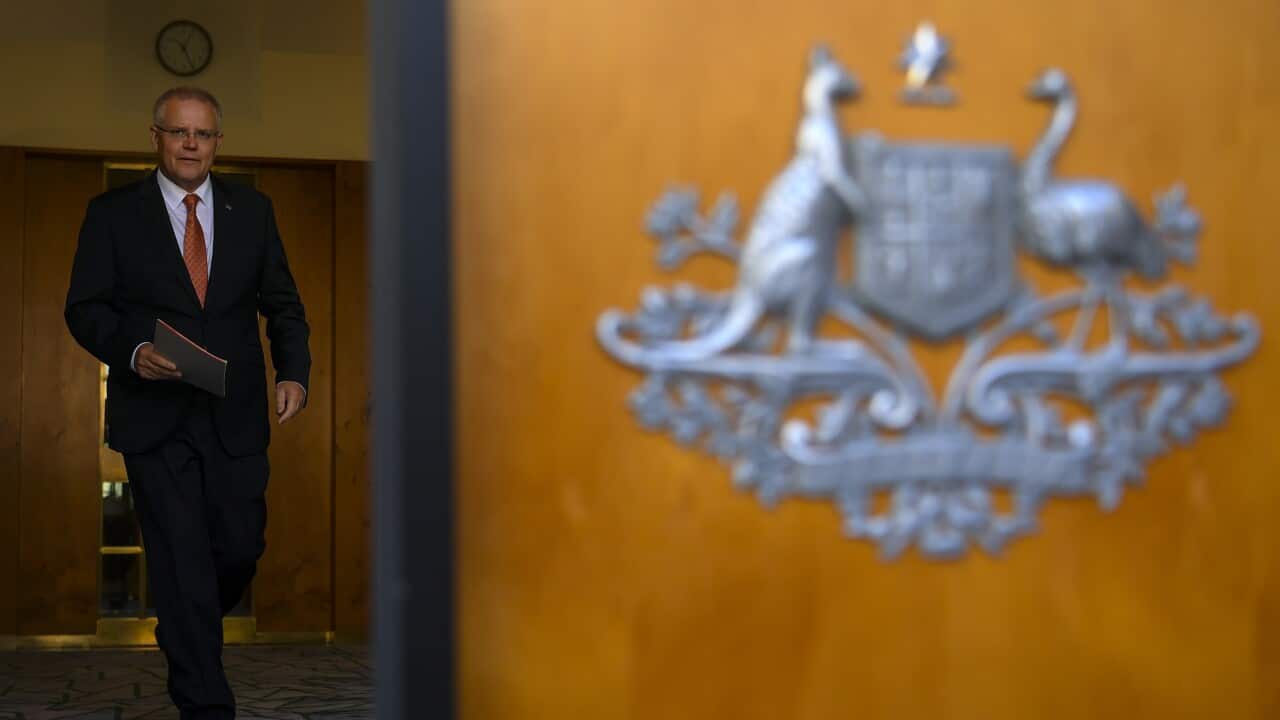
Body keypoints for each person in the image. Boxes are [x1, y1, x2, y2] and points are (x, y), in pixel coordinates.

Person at [64, 86, 310, 719]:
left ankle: (181, 621)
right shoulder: (113, 214)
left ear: (217, 142)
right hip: (156, 419)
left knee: (238, 547)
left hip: (235, 418)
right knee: (179, 560)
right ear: (157, 137)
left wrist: (295, 374)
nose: (191, 144)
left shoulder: (252, 211)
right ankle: (206, 703)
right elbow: (85, 309)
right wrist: (132, 350)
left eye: (202, 134)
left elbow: (281, 303)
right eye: (179, 133)